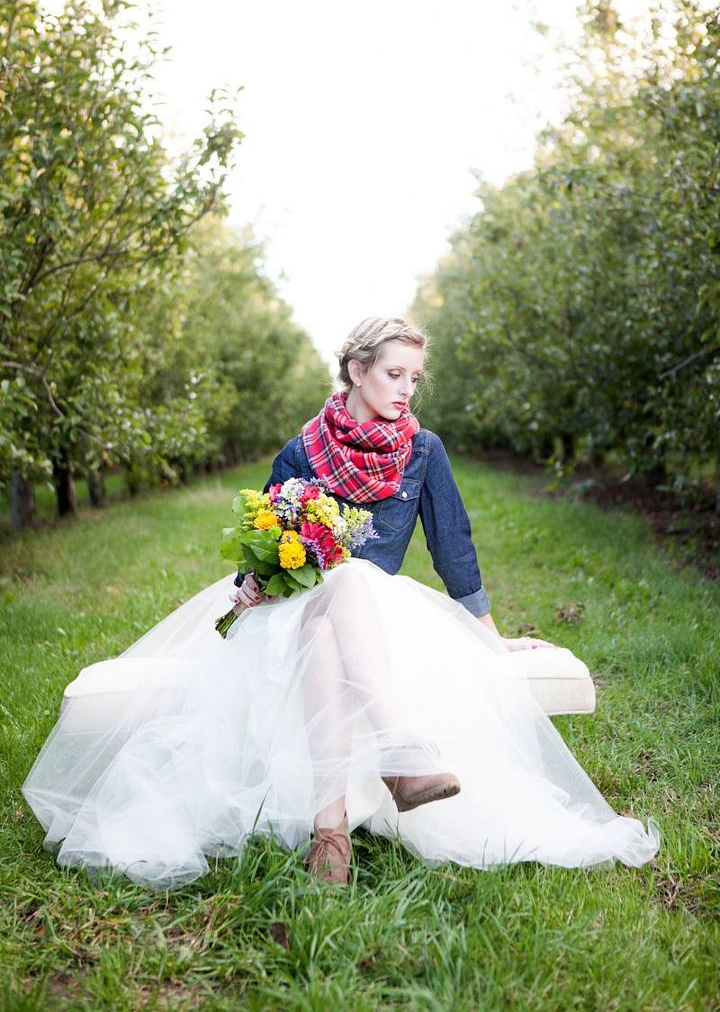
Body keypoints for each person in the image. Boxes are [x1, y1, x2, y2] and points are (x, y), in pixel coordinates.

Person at [22, 316, 659, 889]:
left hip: (375, 618)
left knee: (350, 590)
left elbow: (454, 550)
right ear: (357, 371)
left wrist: (489, 639)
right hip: (290, 613)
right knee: (340, 583)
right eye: (393, 373)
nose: (407, 388)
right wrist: (255, 582)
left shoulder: (422, 451)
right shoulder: (300, 453)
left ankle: (332, 833)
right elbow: (262, 551)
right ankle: (399, 755)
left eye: (415, 376)